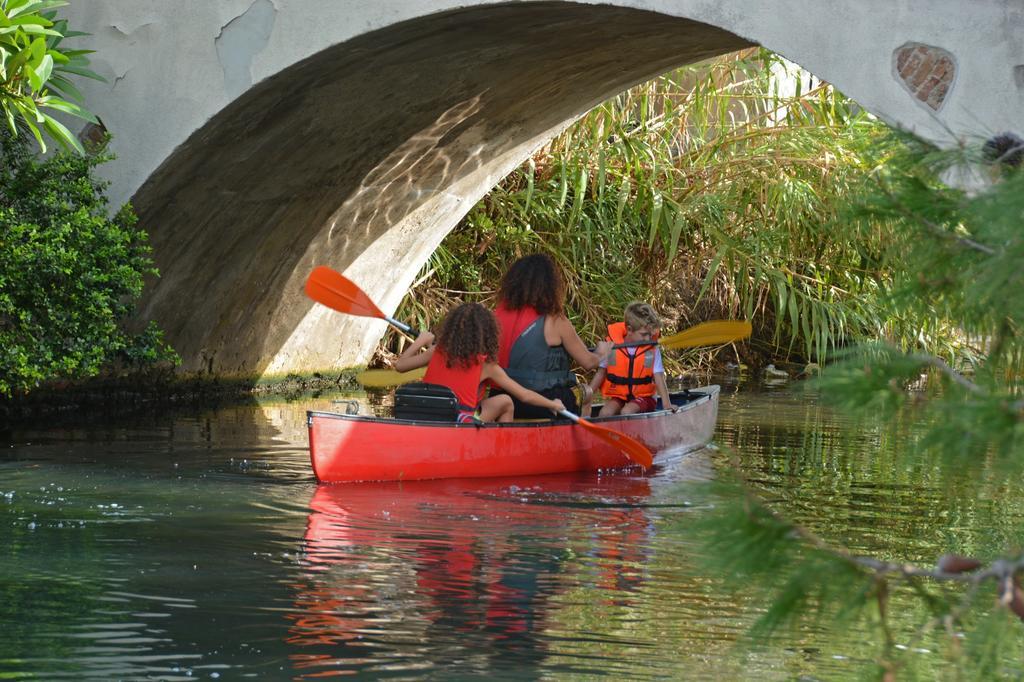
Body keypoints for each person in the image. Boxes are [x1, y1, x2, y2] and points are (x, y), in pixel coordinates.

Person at [393, 302, 565, 423]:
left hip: (426, 417)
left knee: (493, 402)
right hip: (457, 423)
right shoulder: (487, 366)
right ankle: (500, 449)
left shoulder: (435, 352)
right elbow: (525, 395)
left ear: (451, 330)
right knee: (505, 401)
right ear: (486, 334)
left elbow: (400, 366)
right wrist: (553, 404)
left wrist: (420, 342)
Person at [493, 254, 613, 419]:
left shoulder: (495, 316)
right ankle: (582, 440)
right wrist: (602, 352)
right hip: (543, 401)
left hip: (501, 397)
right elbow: (588, 362)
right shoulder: (554, 319)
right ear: (550, 285)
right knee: (587, 391)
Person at [588, 301, 676, 417]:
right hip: (620, 396)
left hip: (645, 398)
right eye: (644, 334)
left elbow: (659, 377)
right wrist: (587, 396)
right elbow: (601, 374)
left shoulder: (652, 349)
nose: (648, 339)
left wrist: (667, 405)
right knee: (605, 413)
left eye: (650, 334)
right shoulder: (611, 346)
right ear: (629, 330)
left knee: (627, 412)